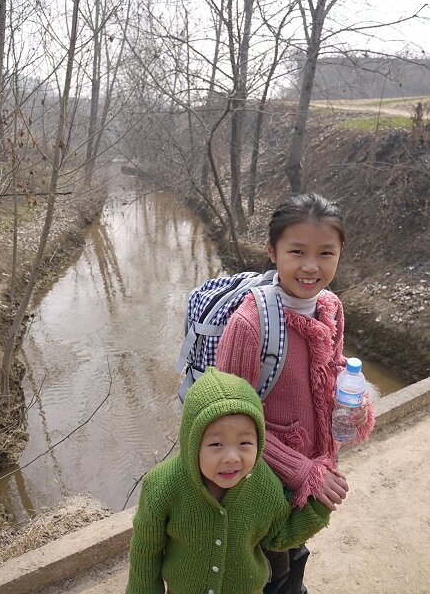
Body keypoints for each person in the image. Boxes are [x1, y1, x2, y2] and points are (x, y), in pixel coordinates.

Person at [216, 193, 375, 594]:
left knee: (295, 554)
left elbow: (332, 368)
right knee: (268, 572)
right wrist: (303, 471)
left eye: (326, 253)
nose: (311, 266)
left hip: (309, 473)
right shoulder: (249, 325)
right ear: (272, 251)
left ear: (340, 253)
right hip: (260, 482)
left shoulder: (330, 307)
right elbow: (227, 421)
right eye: (297, 251)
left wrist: (353, 405)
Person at [126, 367, 332, 594]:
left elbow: (279, 536)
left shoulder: (263, 483)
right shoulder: (161, 486)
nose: (232, 458)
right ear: (192, 443)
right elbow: (146, 553)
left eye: (244, 443)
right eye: (216, 445)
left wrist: (319, 507)